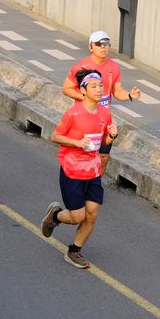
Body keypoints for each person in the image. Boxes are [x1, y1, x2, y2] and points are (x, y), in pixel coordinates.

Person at [41, 69, 118, 269]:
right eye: (94, 86)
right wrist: (77, 142)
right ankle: (55, 216)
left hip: (93, 171)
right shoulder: (73, 114)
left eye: (100, 86)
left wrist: (111, 136)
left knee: (92, 214)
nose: (99, 89)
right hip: (72, 170)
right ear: (83, 90)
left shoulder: (105, 113)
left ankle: (74, 251)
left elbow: (103, 144)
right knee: (77, 217)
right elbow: (55, 136)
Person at [62, 30, 140, 174]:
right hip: (84, 118)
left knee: (103, 157)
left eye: (106, 43)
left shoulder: (114, 67)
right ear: (90, 47)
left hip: (103, 120)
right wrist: (86, 98)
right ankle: (79, 180)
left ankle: (96, 182)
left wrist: (130, 95)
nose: (103, 47)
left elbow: (117, 91)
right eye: (98, 44)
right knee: (83, 155)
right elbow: (66, 89)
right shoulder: (81, 67)